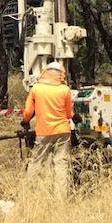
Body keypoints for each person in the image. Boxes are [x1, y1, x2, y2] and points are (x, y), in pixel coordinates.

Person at [22, 61, 74, 198]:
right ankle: (61, 198)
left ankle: (28, 194)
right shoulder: (65, 90)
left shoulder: (37, 89)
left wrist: (25, 122)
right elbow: (69, 114)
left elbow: (27, 112)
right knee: (61, 164)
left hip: (44, 131)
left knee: (36, 161)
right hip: (63, 131)